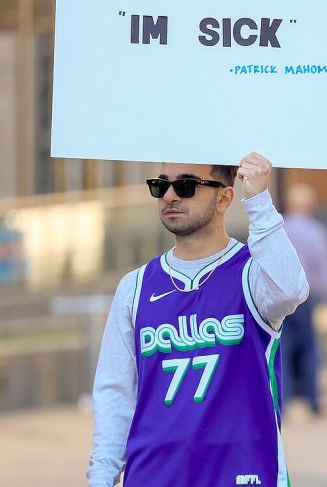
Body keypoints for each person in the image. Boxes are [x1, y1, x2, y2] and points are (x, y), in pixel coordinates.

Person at [87, 153, 309, 487]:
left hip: (244, 472)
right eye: (160, 185)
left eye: (186, 185)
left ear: (225, 197)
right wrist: (102, 475)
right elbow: (115, 391)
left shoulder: (252, 274)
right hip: (153, 476)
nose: (170, 195)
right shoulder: (135, 286)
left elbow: (292, 290)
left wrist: (260, 200)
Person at [281, 183, 327, 416]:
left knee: (282, 348)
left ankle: (282, 403)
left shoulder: (278, 228)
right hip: (306, 296)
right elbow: (325, 266)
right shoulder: (316, 231)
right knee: (309, 348)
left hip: (280, 295)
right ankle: (313, 401)